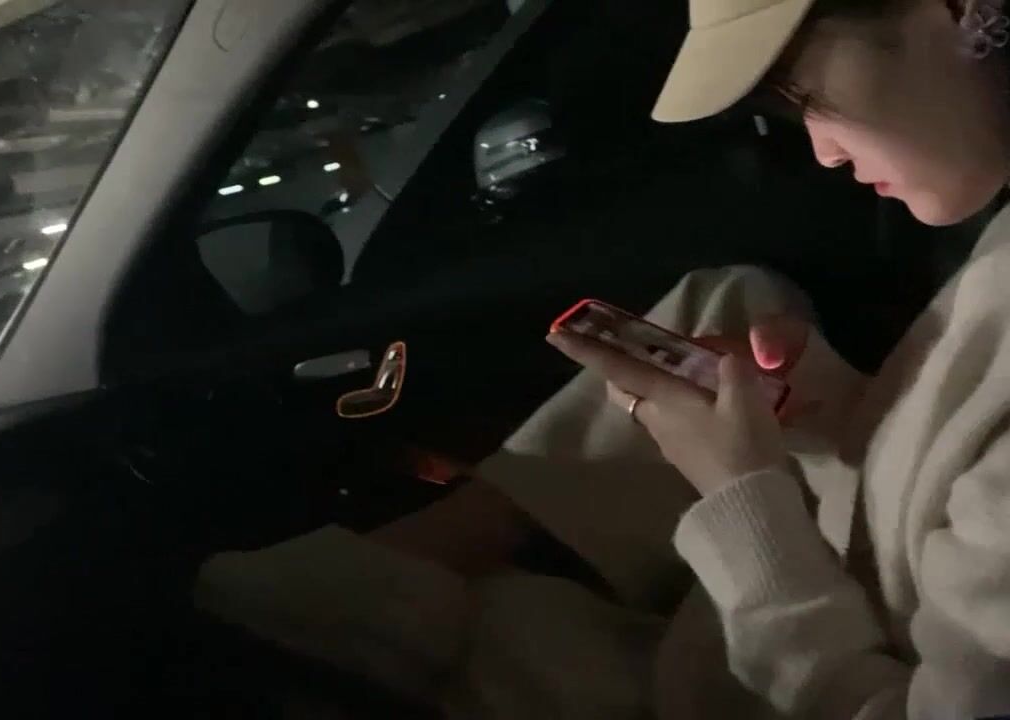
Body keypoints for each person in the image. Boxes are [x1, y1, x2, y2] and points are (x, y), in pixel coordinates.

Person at [195, 0, 1010, 717]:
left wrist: (740, 492)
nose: (822, 152)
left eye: (801, 92)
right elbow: (957, 447)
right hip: (794, 613)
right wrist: (824, 411)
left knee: (496, 634)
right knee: (729, 304)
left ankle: (393, 582)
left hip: (761, 681)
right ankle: (409, 566)